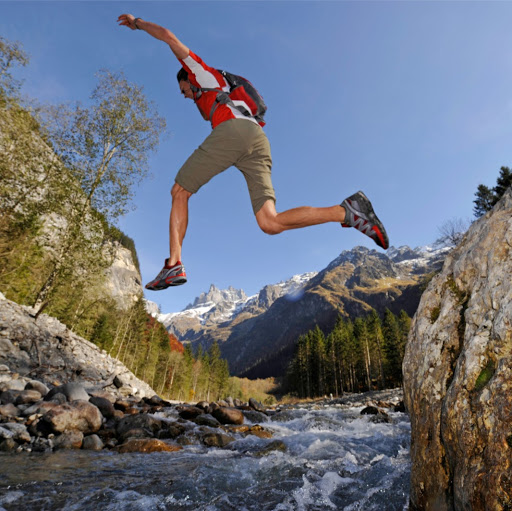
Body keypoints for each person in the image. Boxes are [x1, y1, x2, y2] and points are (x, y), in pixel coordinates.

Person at [117, 14, 389, 291]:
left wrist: (137, 22)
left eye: (183, 89)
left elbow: (168, 36)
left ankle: (174, 264)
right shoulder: (225, 95)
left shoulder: (202, 73)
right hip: (258, 140)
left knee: (179, 191)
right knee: (270, 222)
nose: (184, 94)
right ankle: (347, 211)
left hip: (233, 132)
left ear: (189, 80)